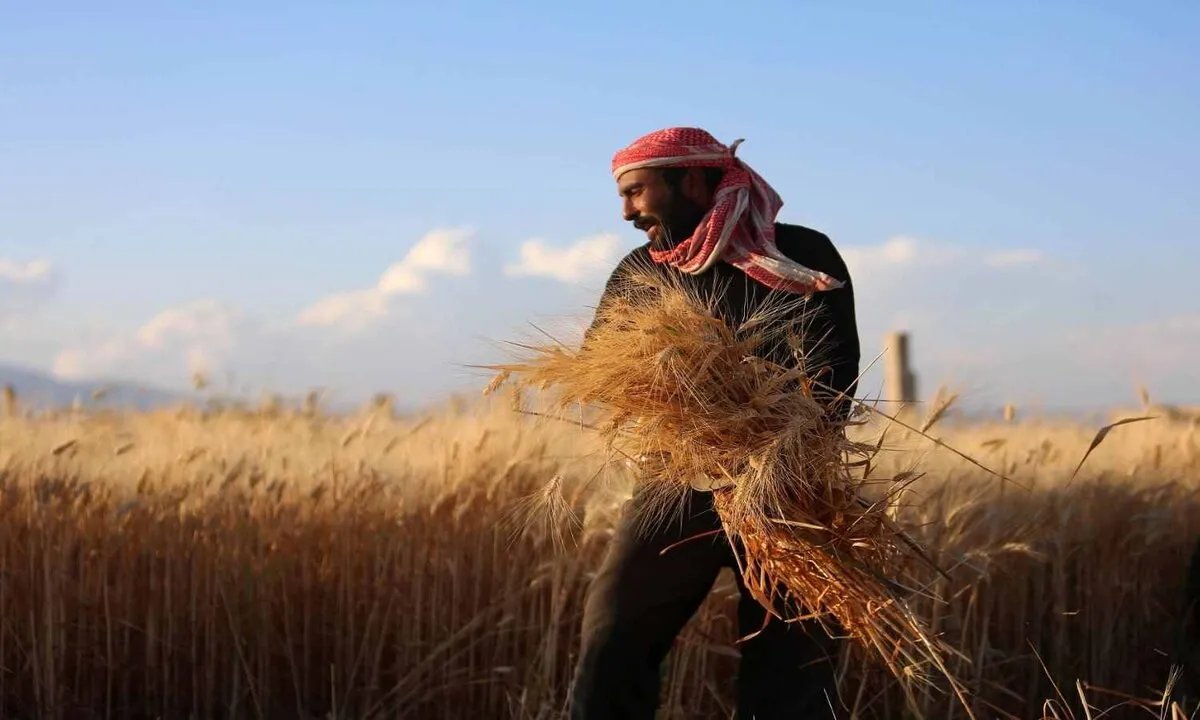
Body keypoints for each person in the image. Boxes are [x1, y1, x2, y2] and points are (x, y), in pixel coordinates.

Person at [568, 127, 861, 719]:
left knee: (792, 668)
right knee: (612, 635)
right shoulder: (641, 271)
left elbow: (833, 373)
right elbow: (600, 368)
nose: (626, 212)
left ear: (695, 180)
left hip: (790, 489)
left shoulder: (804, 255)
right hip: (677, 484)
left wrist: (759, 437)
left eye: (637, 192)